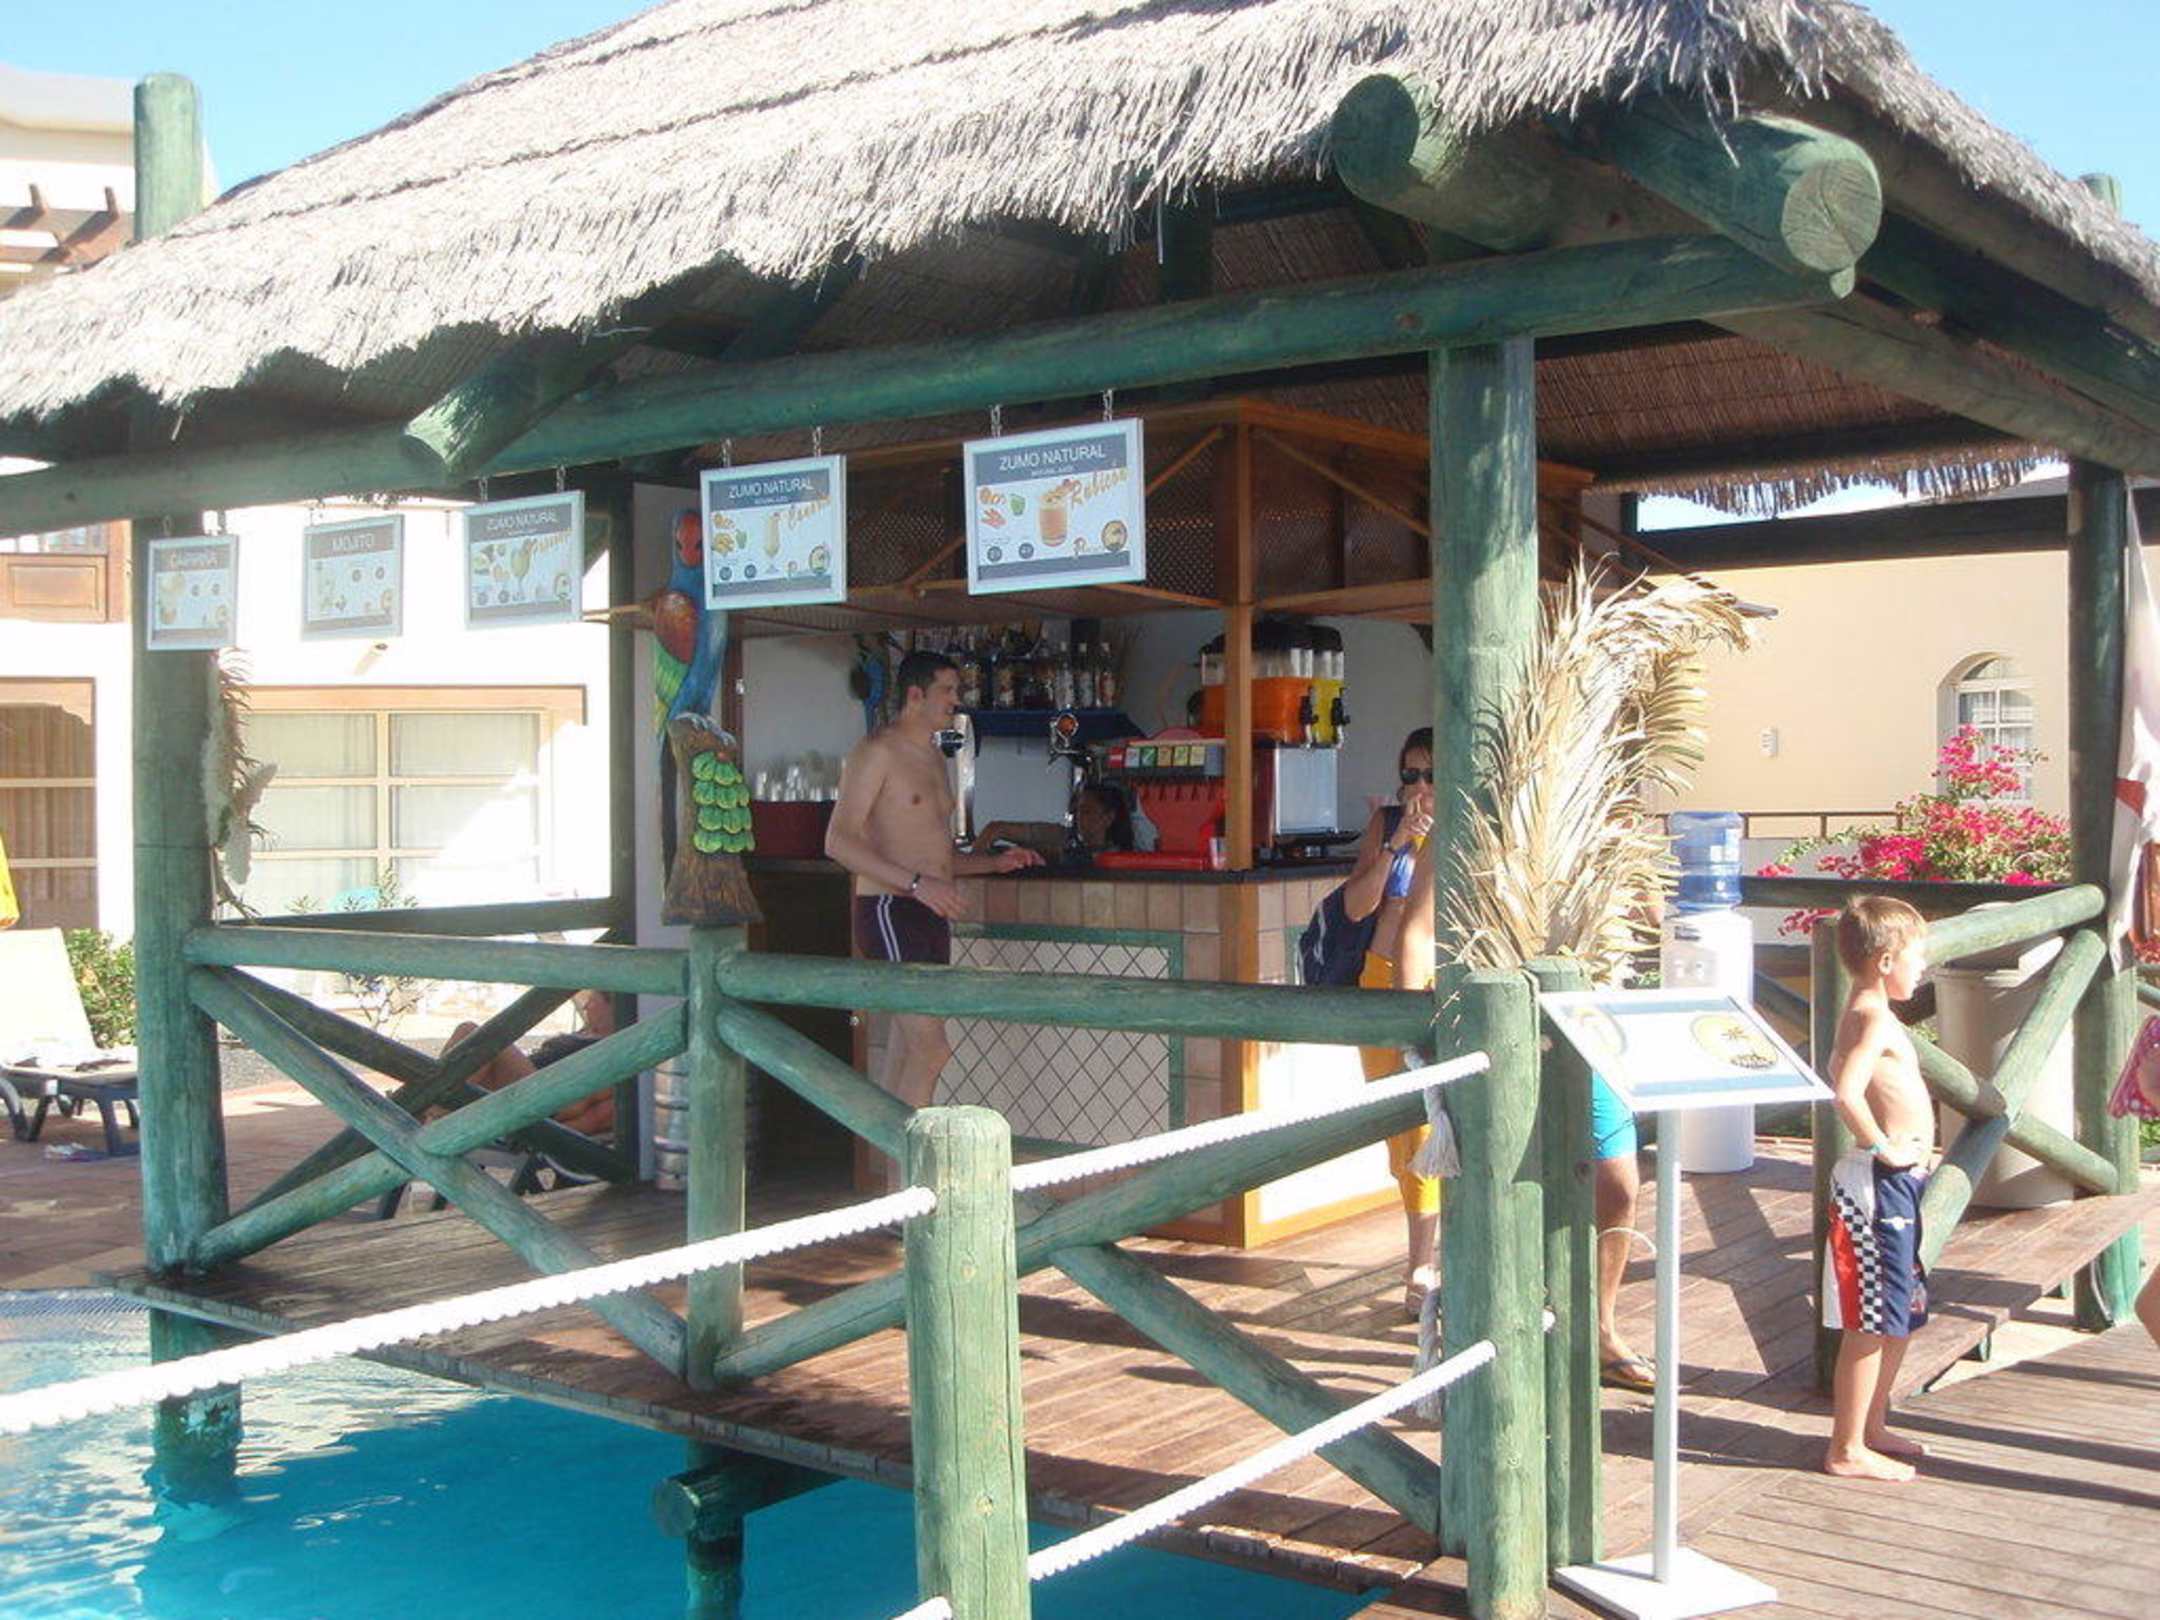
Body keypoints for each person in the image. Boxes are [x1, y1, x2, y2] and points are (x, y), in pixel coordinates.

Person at [1392, 819, 1654, 1385]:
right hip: (1492, 1032)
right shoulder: (1456, 832)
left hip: (1586, 1021)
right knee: (1501, 1187)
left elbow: (1652, 918)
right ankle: (1492, 1339)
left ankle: (1600, 1328)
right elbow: (1415, 934)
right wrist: (1414, 1038)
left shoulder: (1595, 826)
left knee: (1618, 1182)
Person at [826, 650, 1041, 1118]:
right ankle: (914, 1162)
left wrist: (994, 864)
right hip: (889, 909)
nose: (956, 700)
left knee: (908, 1051)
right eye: (947, 690)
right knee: (931, 1049)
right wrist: (916, 885)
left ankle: (887, 1160)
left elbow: (935, 859)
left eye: (957, 690)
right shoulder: (877, 751)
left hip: (929, 913)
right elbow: (838, 842)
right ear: (915, 695)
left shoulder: (934, 756)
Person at [1821, 895, 1933, 1481]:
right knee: (1872, 1318)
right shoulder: (1870, 1015)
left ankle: (1872, 1424)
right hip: (1877, 1185)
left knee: (1901, 1308)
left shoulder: (1871, 1012)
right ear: (1886, 960)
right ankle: (1846, 1447)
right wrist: (1881, 1146)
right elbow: (1846, 1090)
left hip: (1901, 1184)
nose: (1924, 968)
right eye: (1919, 957)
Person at [1344, 727, 1440, 1317]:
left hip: (1431, 987)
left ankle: (1420, 1265)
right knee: (1397, 1131)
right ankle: (1425, 1255)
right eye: (1410, 774)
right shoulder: (1386, 825)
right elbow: (1356, 906)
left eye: (1431, 774)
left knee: (1425, 1129)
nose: (1420, 786)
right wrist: (1396, 845)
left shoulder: (1465, 827)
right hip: (1378, 980)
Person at [449, 988, 617, 1136]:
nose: (585, 1006)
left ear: (613, 1008)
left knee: (473, 1032)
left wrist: (542, 1133)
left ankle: (436, 1107)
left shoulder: (617, 1050)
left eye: (593, 1001)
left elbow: (597, 1116)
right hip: (523, 1085)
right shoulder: (587, 1035)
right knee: (470, 1041)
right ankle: (438, 1106)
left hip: (541, 1096)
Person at [971, 782, 1137, 864]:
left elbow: (1059, 856)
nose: (1079, 817)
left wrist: (1019, 854)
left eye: (1087, 811)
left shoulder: (1119, 857)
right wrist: (975, 861)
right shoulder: (1062, 835)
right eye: (1078, 810)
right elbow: (996, 828)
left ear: (1108, 818)